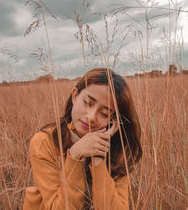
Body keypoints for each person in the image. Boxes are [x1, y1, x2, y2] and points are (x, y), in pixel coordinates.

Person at [23, 68, 142, 210]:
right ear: (75, 96)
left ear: (113, 120)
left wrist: (98, 155)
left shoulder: (117, 149)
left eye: (104, 114)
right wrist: (74, 155)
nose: (91, 117)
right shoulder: (45, 142)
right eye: (87, 103)